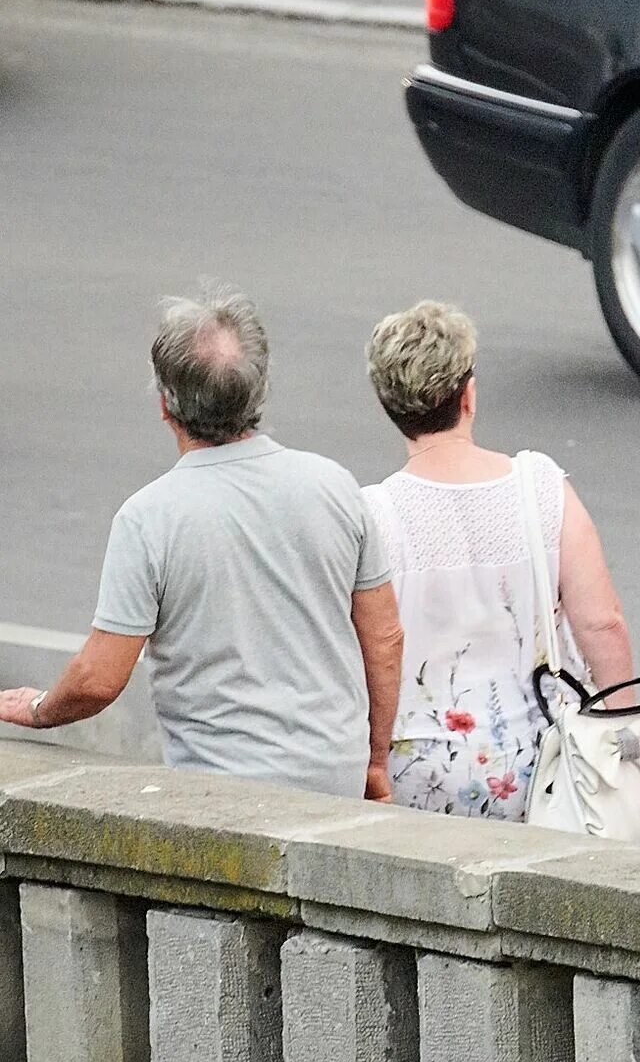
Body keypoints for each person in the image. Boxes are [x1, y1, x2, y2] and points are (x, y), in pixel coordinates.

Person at [0, 287, 403, 799]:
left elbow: (98, 680)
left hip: (218, 794)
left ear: (167, 405)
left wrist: (37, 709)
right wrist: (373, 760)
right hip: (333, 781)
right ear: (258, 391)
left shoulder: (149, 518)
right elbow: (385, 637)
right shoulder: (335, 486)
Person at [360, 301, 635, 818]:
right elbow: (602, 622)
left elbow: (367, 645)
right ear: (469, 394)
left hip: (416, 763)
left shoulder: (373, 514)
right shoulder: (541, 487)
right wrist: (623, 733)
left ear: (389, 406)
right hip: (539, 756)